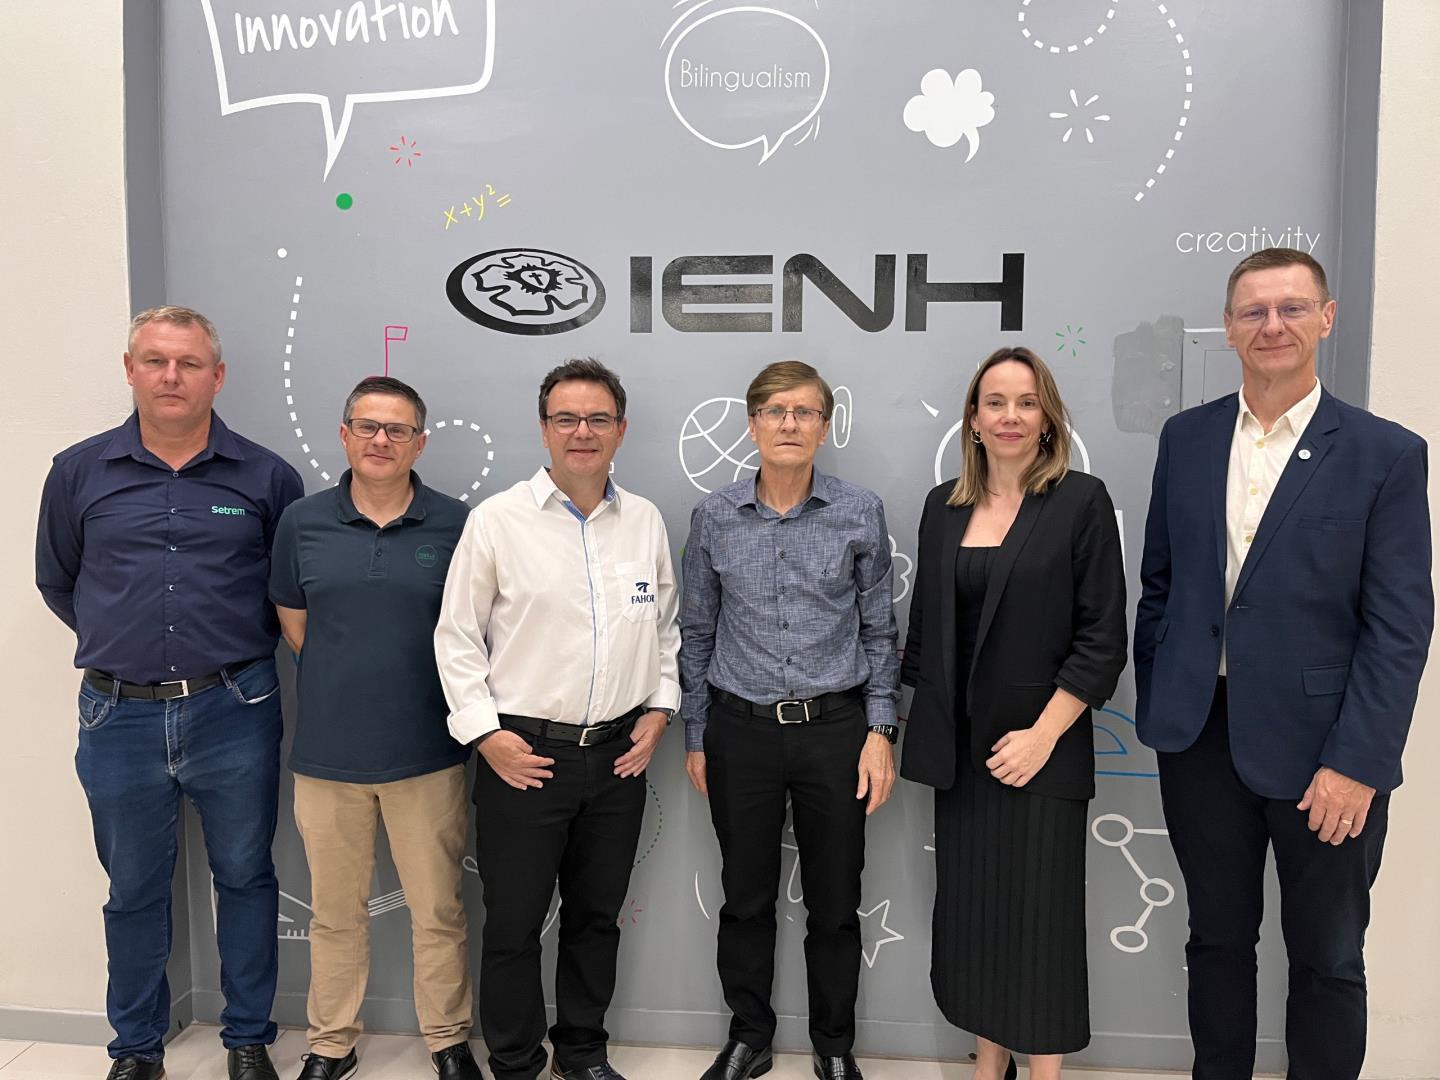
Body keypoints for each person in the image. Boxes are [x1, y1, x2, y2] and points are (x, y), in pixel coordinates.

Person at [1134, 247, 1433, 1079]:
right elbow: (1160, 584)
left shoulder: (1383, 453)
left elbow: (1400, 627)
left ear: (1325, 319)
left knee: (1328, 957)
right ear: (1229, 328)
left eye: (1292, 308)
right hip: (1200, 736)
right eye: (1254, 311)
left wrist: (1357, 762)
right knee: (1216, 941)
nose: (1273, 325)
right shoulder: (1187, 439)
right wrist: (1164, 691)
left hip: (1324, 750)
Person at [35, 306, 303, 1080]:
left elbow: (286, 593)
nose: (171, 377)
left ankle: (247, 1039)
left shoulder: (266, 477)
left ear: (217, 376)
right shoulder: (78, 472)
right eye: (155, 361)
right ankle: (136, 1048)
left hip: (235, 708)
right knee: (133, 890)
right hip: (117, 714)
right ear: (130, 370)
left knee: (246, 877)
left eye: (188, 363)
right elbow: (59, 581)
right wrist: (128, 643)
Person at [435, 358, 681, 1080]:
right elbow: (457, 637)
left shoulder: (643, 521)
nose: (582, 432)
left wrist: (661, 708)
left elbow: (665, 627)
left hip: (618, 757)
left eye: (598, 418)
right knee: (513, 926)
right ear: (544, 429)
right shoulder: (498, 520)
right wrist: (486, 735)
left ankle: (582, 1053)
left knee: (595, 919)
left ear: (621, 430)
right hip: (524, 757)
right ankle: (515, 1062)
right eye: (566, 418)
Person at [899, 346, 1126, 1080]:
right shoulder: (943, 507)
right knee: (977, 921)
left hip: (1042, 753)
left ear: (1048, 417)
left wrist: (1043, 736)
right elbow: (925, 633)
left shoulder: (1080, 501)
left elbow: (1102, 639)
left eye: (1027, 402)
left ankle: (1046, 1074)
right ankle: (988, 1063)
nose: (1010, 416)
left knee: (1039, 925)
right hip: (962, 757)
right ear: (972, 418)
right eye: (995, 402)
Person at [680, 360, 899, 1080]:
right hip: (738, 731)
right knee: (745, 900)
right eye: (775, 411)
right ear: (752, 425)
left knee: (835, 903)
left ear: (824, 427)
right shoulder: (714, 516)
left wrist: (880, 731)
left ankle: (834, 1047)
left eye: (805, 412)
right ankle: (751, 1037)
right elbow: (697, 632)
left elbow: (880, 631)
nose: (789, 424)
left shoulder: (859, 511)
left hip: (835, 732)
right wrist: (697, 735)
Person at [268, 377, 482, 1080]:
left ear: (420, 442)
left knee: (439, 911)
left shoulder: (456, 523)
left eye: (397, 430)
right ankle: (331, 1044)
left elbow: (474, 630)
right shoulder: (302, 522)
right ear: (344, 435)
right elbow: (296, 624)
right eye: (367, 426)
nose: (381, 441)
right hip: (327, 757)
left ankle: (448, 1040)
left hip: (428, 753)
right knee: (335, 914)